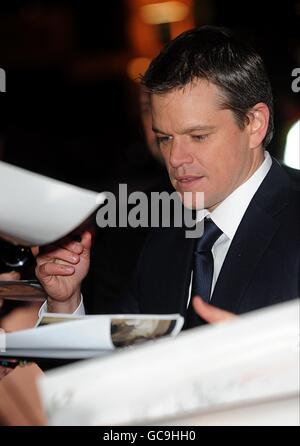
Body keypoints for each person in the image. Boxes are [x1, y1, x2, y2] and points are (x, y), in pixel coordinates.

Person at [35, 26, 300, 327]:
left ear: (254, 124)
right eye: (165, 139)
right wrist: (65, 302)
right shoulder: (164, 236)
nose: (175, 159)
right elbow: (115, 366)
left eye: (198, 136)